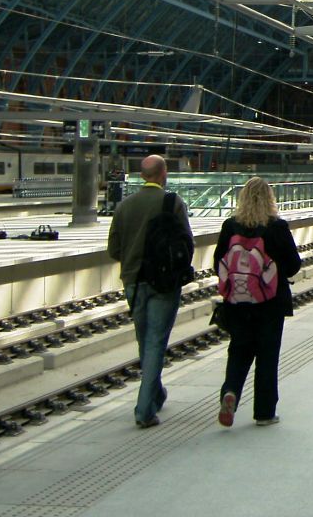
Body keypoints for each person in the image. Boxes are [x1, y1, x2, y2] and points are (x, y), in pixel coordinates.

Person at [106, 154, 193, 428]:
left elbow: (113, 250)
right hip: (164, 283)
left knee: (145, 340)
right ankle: (145, 409)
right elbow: (186, 244)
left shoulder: (124, 206)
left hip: (133, 282)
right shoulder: (173, 203)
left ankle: (156, 392)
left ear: (142, 175)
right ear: (163, 173)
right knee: (156, 340)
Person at [214, 177, 302, 427]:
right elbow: (293, 265)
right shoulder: (277, 227)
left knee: (238, 350)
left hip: (237, 303)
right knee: (267, 356)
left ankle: (230, 391)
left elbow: (217, 263)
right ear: (270, 199)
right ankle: (264, 412)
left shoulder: (230, 226)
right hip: (270, 303)